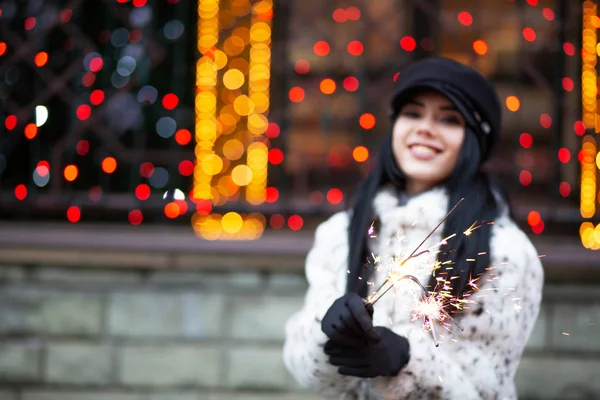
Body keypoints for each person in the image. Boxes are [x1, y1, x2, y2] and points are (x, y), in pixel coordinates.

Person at [282, 57, 544, 400]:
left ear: (475, 140)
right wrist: (326, 335)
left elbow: (487, 391)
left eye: (449, 119)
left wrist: (408, 360)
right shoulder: (341, 233)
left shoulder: (504, 252)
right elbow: (309, 373)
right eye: (413, 113)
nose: (425, 128)